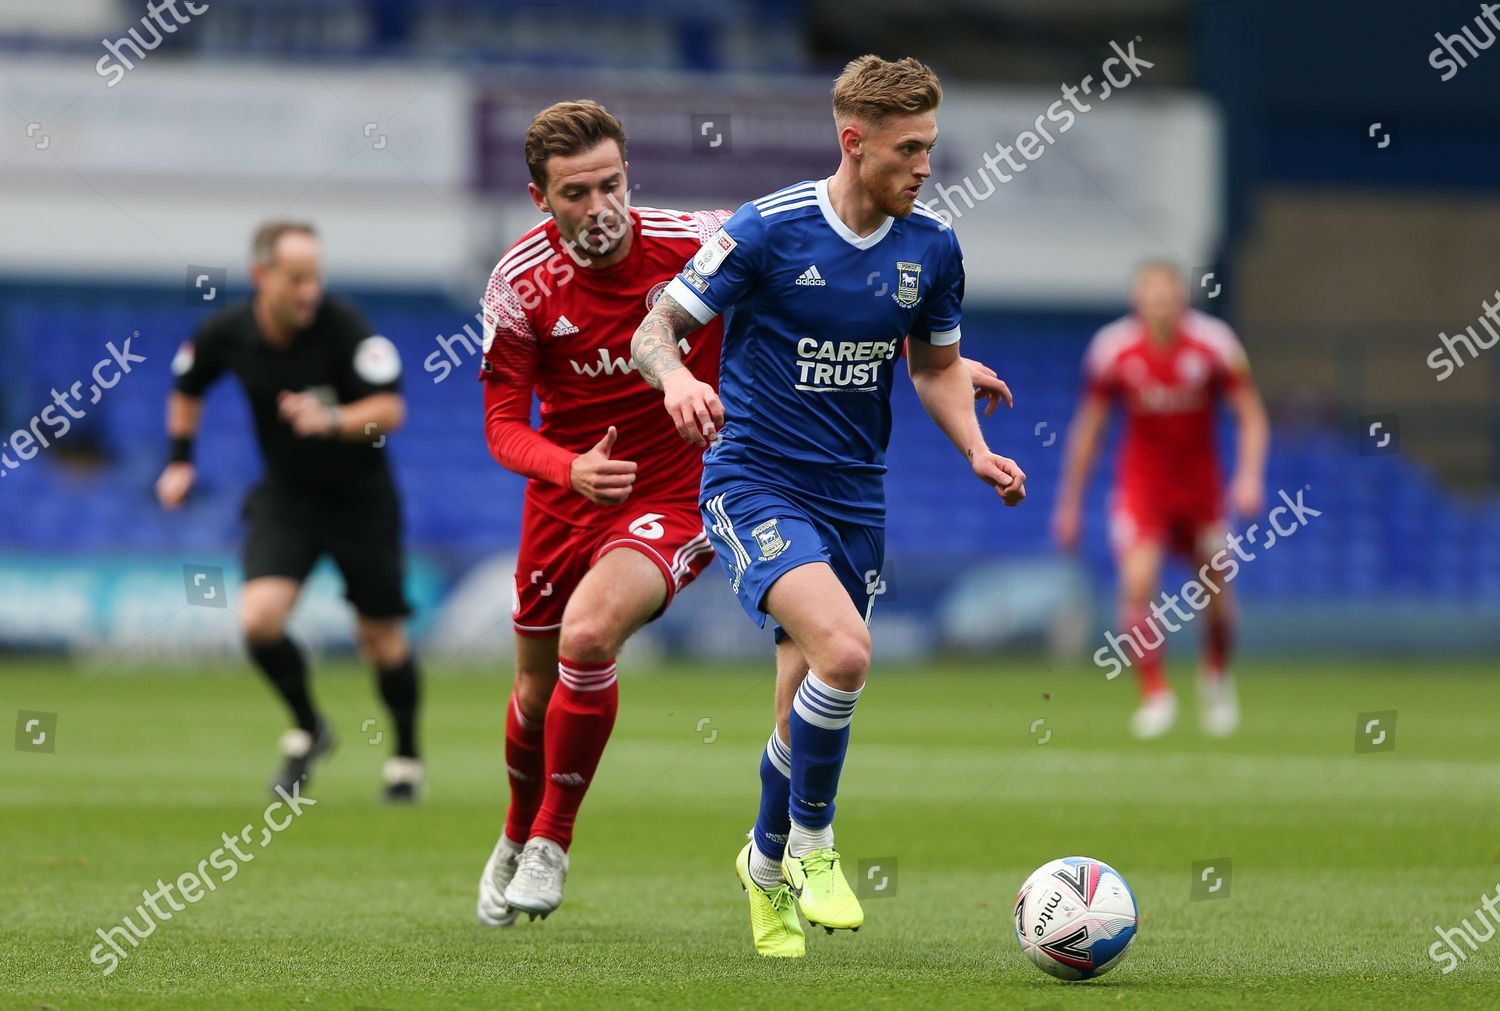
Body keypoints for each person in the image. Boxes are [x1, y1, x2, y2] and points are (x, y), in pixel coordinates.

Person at [474, 99, 1013, 928]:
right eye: (576, 193)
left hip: (679, 488)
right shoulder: (519, 281)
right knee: (535, 689)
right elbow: (503, 423)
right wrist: (567, 466)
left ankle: (554, 838)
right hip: (566, 493)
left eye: (612, 184)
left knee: (592, 637)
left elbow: (828, 269)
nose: (600, 207)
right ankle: (517, 832)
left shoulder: (701, 235)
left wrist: (941, 357)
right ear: (541, 198)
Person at [630, 56, 1027, 958]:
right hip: (757, 479)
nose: (926, 166)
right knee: (845, 654)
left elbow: (932, 367)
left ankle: (762, 868)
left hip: (856, 495)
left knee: (796, 710)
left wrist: (975, 447)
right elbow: (656, 327)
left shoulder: (932, 248)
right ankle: (812, 839)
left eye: (931, 145)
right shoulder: (765, 230)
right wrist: (679, 377)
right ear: (854, 142)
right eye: (909, 149)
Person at [156, 220, 424, 801]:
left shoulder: (345, 326)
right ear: (261, 277)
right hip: (287, 499)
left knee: (380, 639)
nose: (309, 291)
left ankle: (405, 756)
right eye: (296, 278)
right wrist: (179, 459)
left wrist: (333, 419)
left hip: (362, 502)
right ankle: (309, 727)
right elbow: (187, 384)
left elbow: (390, 411)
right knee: (259, 620)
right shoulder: (226, 332)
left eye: (315, 277)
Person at [1052, 260, 1269, 739]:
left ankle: (1215, 676)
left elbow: (1251, 414)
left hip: (1202, 490)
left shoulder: (1215, 344)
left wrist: (1250, 476)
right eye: (1151, 293)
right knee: (1137, 581)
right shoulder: (1113, 349)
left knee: (1215, 592)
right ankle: (1154, 694)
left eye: (1168, 293)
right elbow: (1090, 428)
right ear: (1139, 300)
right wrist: (1069, 502)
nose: (1161, 302)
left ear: (1182, 298)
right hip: (1142, 488)